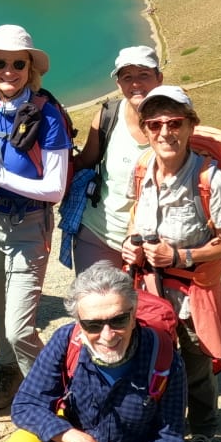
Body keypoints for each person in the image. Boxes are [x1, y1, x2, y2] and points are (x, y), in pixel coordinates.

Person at [2, 262, 186, 442]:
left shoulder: (163, 358)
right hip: (77, 438)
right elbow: (26, 404)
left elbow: (170, 437)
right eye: (93, 325)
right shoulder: (66, 342)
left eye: (119, 320)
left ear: (133, 314)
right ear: (78, 323)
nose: (108, 335)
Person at [120, 85, 221, 442]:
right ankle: (161, 425)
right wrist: (130, 247)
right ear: (146, 130)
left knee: (196, 363)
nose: (165, 132)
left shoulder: (209, 179)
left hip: (190, 292)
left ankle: (203, 428)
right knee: (151, 359)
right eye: (155, 124)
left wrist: (180, 255)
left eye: (174, 122)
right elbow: (135, 220)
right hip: (148, 290)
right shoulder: (141, 169)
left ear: (190, 126)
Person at [0, 24, 73, 408]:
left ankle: (55, 395)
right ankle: (9, 374)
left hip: (28, 226)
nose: (8, 71)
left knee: (20, 328)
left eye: (17, 64)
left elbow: (54, 189)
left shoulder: (48, 114)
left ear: (29, 68)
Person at [66, 46, 163, 273]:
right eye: (127, 77)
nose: (135, 84)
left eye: (144, 75)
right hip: (100, 233)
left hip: (154, 244)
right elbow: (85, 160)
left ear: (159, 78)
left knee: (147, 308)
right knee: (96, 305)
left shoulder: (174, 122)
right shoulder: (108, 116)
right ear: (118, 84)